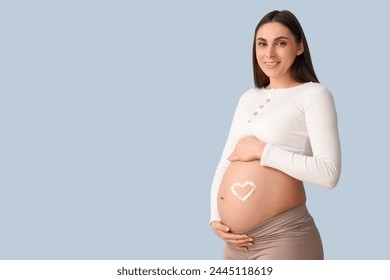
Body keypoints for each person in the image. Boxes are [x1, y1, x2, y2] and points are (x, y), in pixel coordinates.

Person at [209, 10, 341, 260]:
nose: (269, 53)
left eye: (280, 43)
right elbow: (226, 162)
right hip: (235, 244)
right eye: (262, 43)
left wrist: (264, 152)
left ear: (299, 47)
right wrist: (216, 216)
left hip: (284, 238)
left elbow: (328, 173)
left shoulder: (314, 95)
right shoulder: (248, 97)